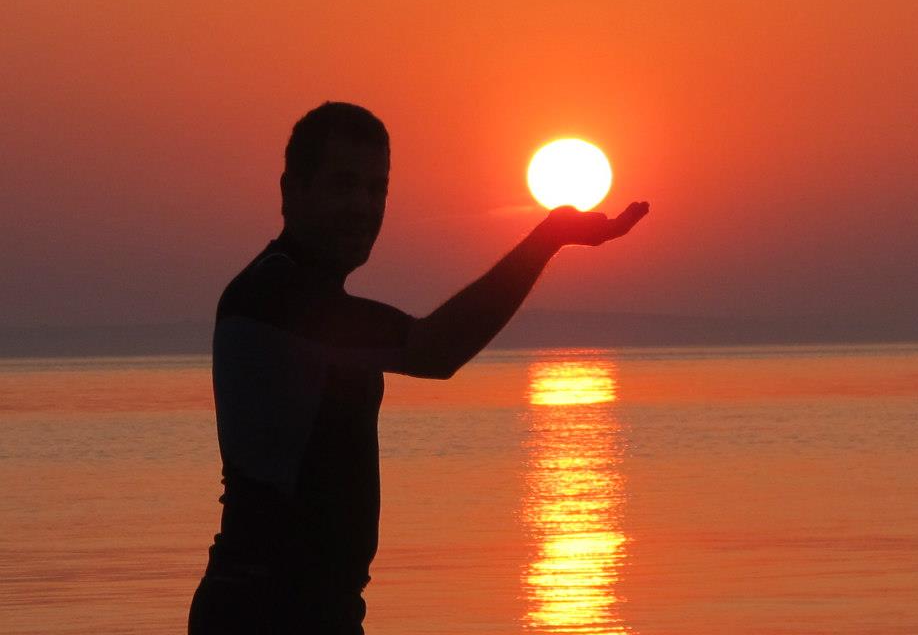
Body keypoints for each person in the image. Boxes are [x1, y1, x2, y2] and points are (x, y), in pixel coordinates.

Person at [188, 101, 649, 634]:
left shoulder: (309, 299)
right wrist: (547, 240)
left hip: (318, 609)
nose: (363, 206)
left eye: (376, 189)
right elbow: (435, 349)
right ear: (292, 191)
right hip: (262, 610)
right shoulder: (275, 297)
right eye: (343, 185)